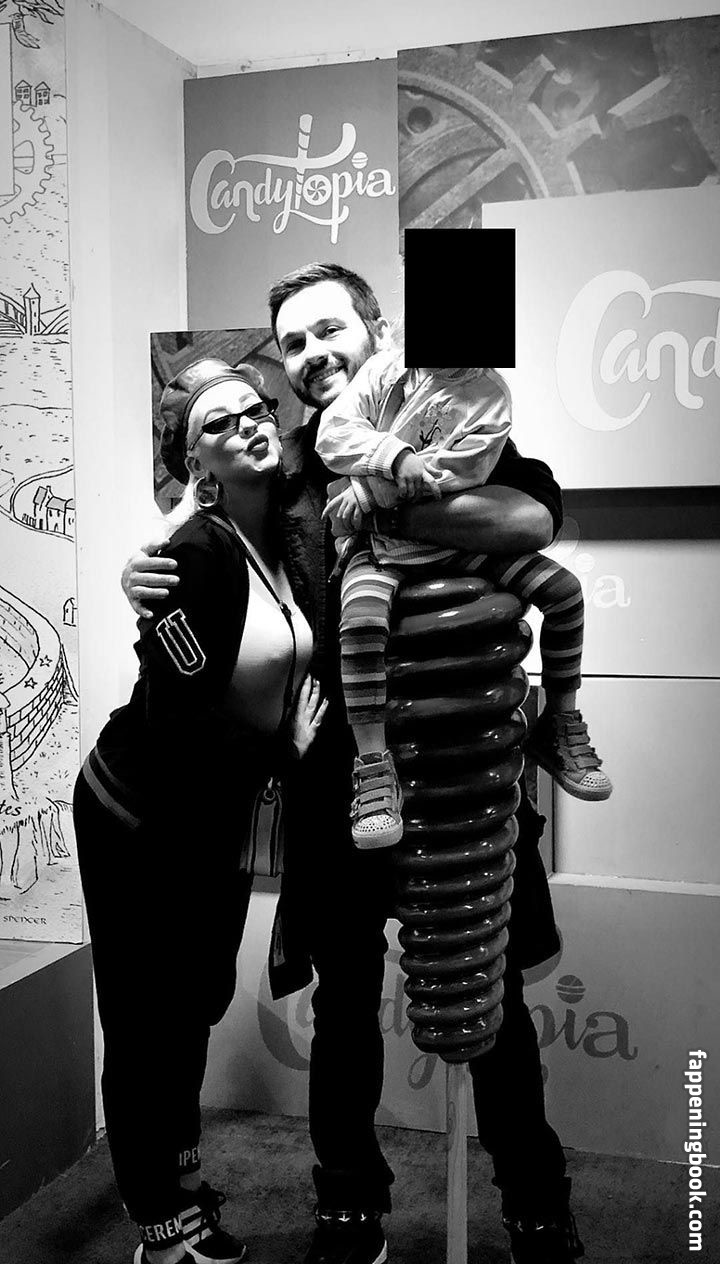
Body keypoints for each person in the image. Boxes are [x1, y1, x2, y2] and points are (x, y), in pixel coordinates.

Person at [123, 264, 585, 1264]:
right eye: (293, 343)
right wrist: (145, 567)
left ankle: (538, 1203)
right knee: (343, 1007)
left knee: (494, 995)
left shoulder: (447, 419)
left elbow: (532, 515)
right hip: (341, 788)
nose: (312, 355)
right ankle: (348, 1205)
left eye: (330, 329)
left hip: (464, 779)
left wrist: (389, 505)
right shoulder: (287, 466)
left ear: (377, 328)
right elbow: (205, 533)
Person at [75, 358, 326, 1264]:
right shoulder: (197, 552)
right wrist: (281, 750)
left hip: (214, 819)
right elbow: (178, 718)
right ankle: (158, 1223)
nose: (249, 423)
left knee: (194, 1004)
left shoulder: (284, 541)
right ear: (196, 465)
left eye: (257, 409)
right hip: (138, 815)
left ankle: (181, 1181)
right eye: (219, 423)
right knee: (147, 1018)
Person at [314, 342, 612, 847]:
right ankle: (373, 763)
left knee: (564, 592)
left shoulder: (488, 394)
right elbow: (334, 433)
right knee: (361, 622)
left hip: (455, 545)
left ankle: (560, 720)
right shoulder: (386, 370)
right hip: (381, 551)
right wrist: (393, 456)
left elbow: (461, 472)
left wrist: (368, 492)